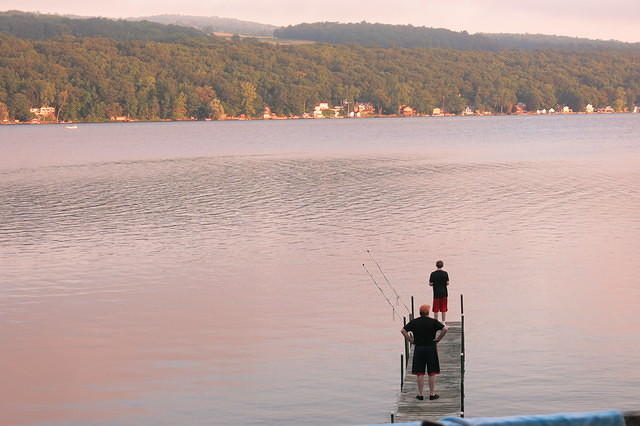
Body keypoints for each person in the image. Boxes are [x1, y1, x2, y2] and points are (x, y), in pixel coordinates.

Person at [401, 304, 448, 401]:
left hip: (419, 348)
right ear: (428, 312)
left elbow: (403, 330)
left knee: (420, 373)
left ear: (420, 312)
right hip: (431, 348)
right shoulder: (433, 322)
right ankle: (432, 394)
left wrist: (410, 340)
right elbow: (445, 329)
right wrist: (438, 339)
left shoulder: (414, 322)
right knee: (432, 373)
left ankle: (420, 394)